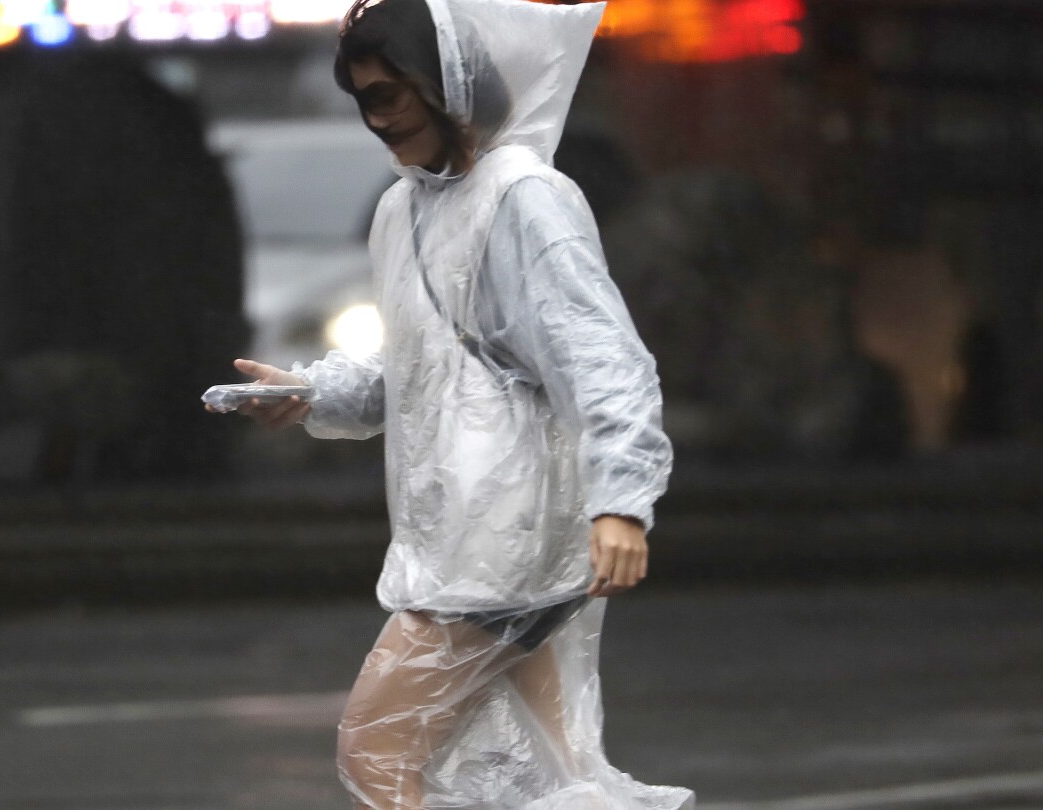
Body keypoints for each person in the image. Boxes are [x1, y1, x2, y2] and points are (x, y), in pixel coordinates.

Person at [207, 0, 693, 808]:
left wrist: (622, 503)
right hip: (459, 538)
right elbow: (421, 371)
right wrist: (313, 392)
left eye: (389, 96)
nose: (377, 121)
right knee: (553, 773)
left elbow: (603, 359)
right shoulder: (406, 207)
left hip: (502, 552)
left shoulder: (524, 200)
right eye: (364, 100)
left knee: (377, 754)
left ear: (446, 86)